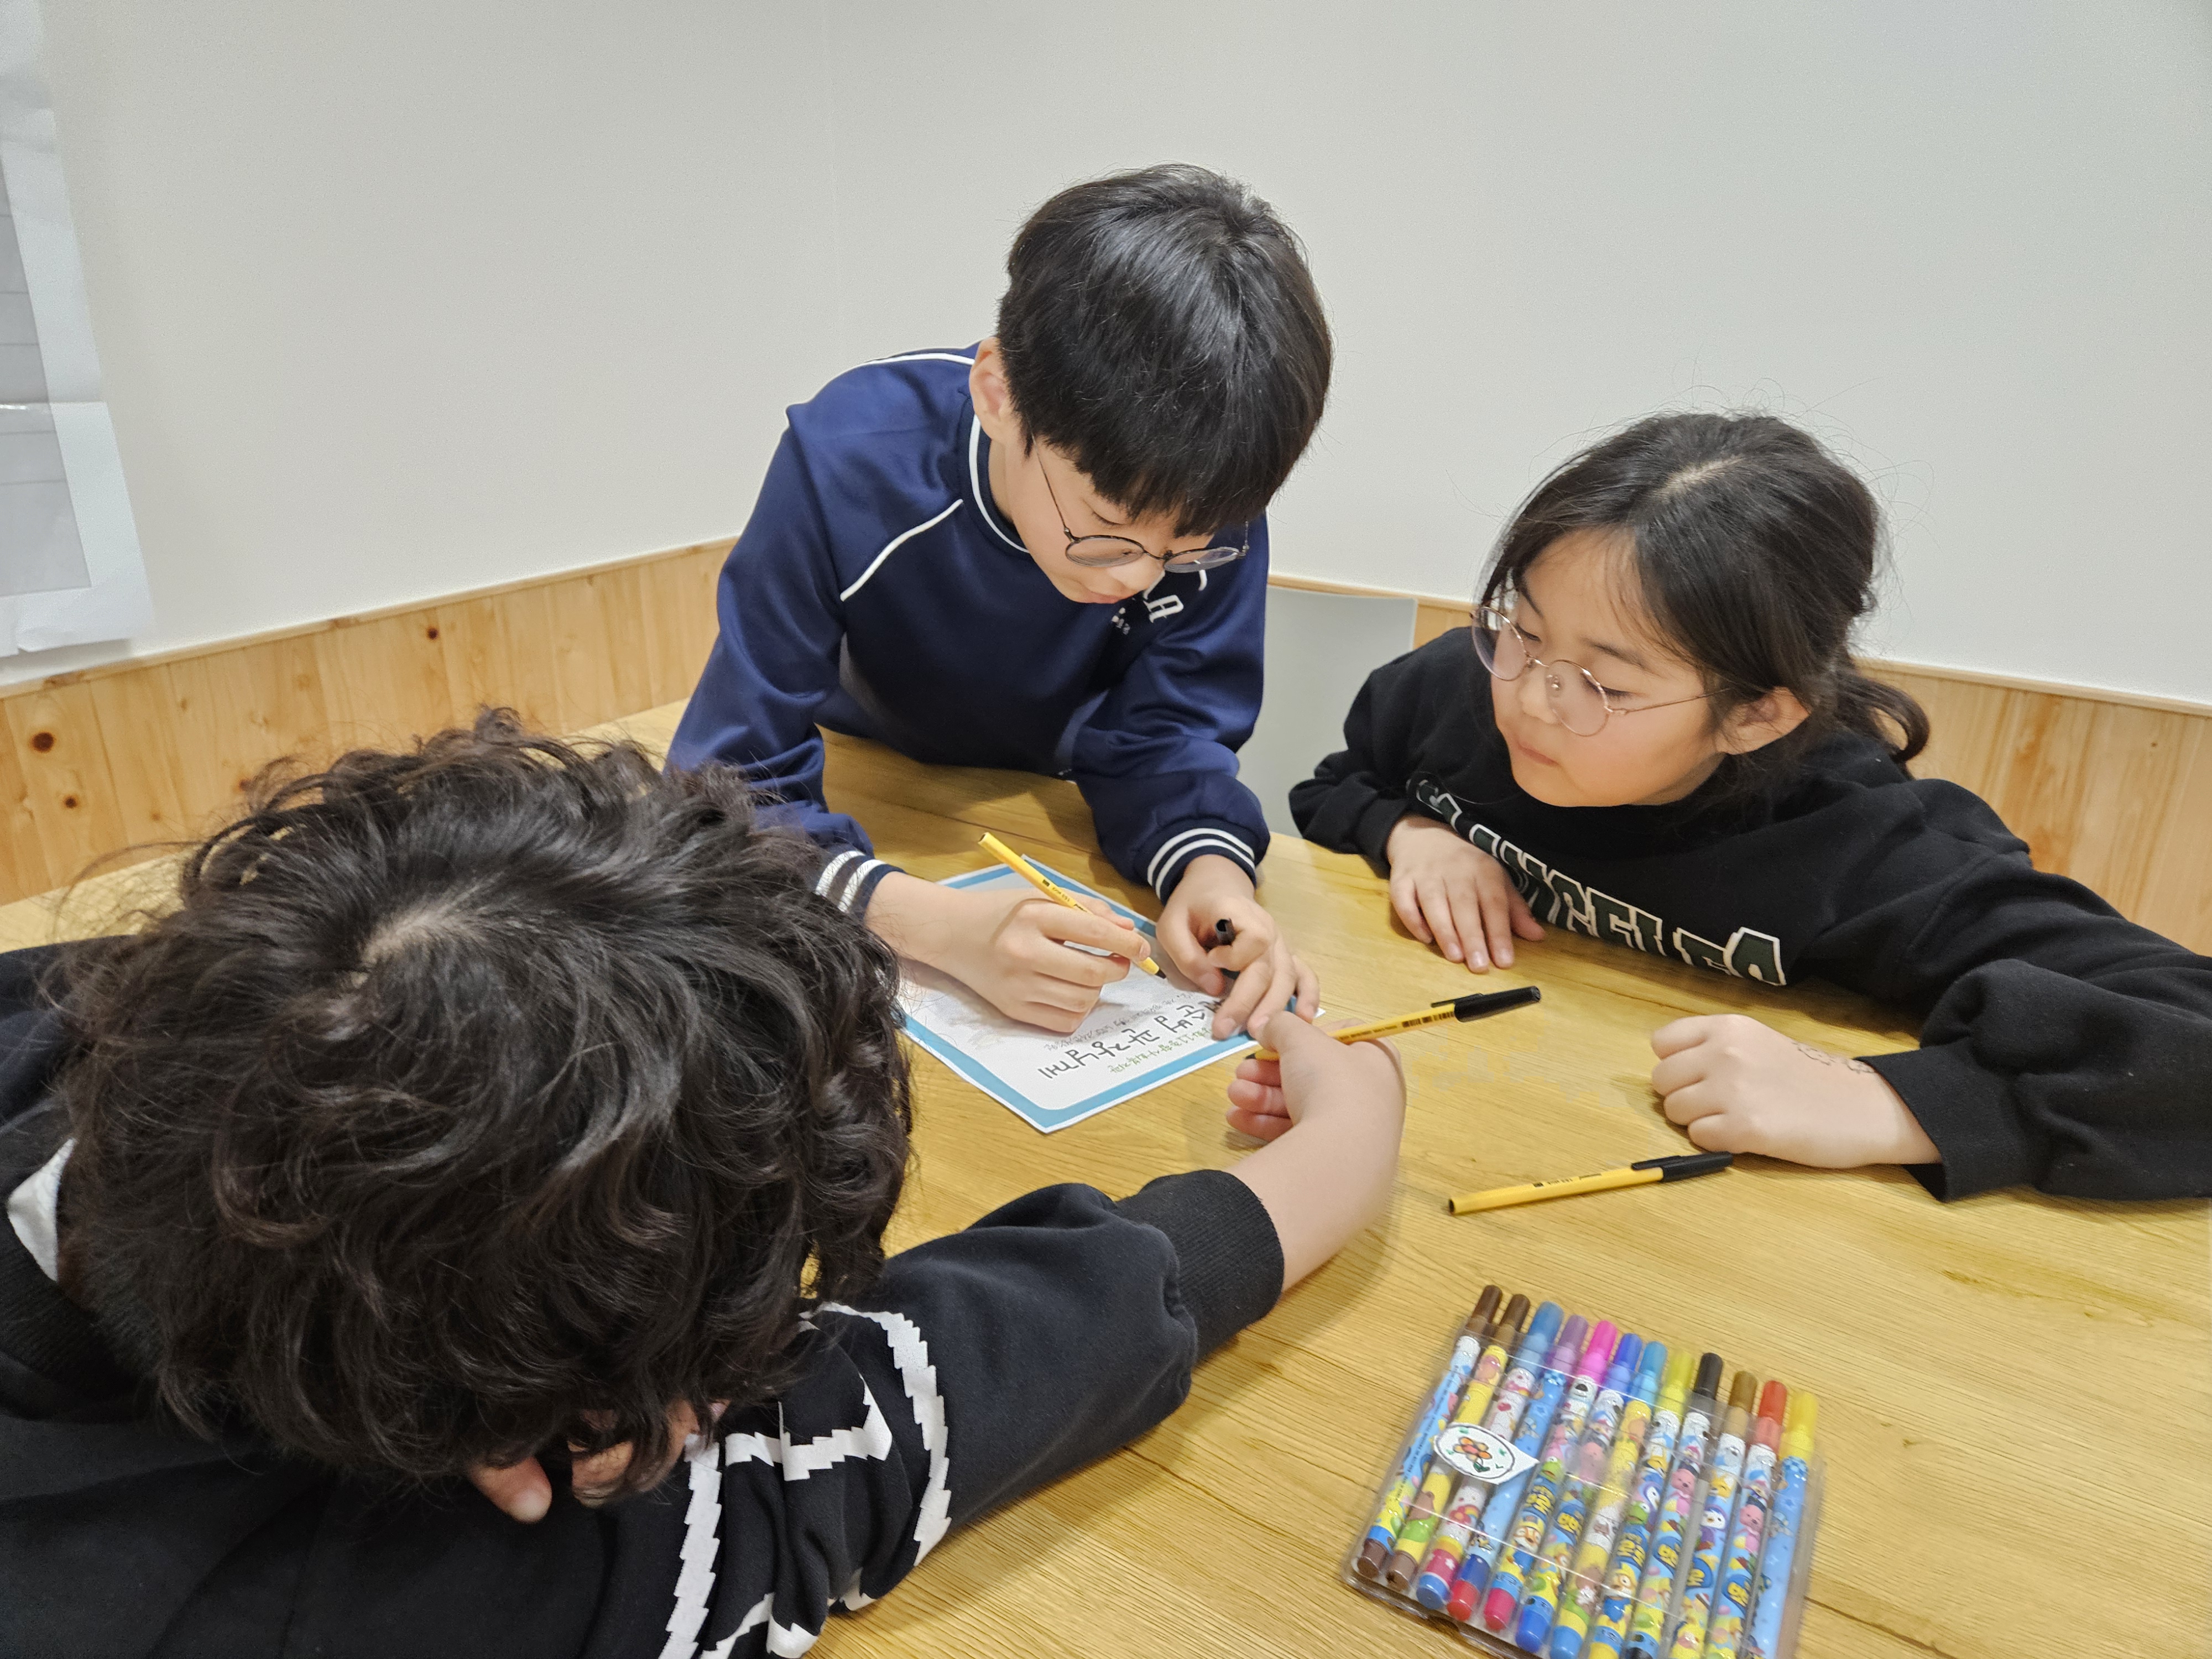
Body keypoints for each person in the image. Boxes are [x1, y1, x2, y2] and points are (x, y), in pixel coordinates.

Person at [0, 714, 1403, 1659]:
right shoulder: (375, 1599)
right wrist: (1341, 1147)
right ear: (531, 1441)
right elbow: (851, 1446)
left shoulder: (119, 1017)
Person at [1287, 412, 2212, 1201]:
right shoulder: (1454, 691)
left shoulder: (1867, 849)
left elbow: (2189, 1041)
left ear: (1758, 714)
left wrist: (1891, 1104)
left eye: (1606, 685)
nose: (1531, 697)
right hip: (1470, 1121)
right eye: (1524, 630)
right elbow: (1337, 784)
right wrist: (1408, 831)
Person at [668, 164, 1333, 1041]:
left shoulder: (1205, 501)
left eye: (1185, 547)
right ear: (997, 394)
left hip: (1059, 808)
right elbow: (724, 790)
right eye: (1108, 532)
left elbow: (1170, 733)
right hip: (874, 784)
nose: (1140, 579)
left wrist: (1209, 876)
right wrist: (935, 927)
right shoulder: (847, 461)